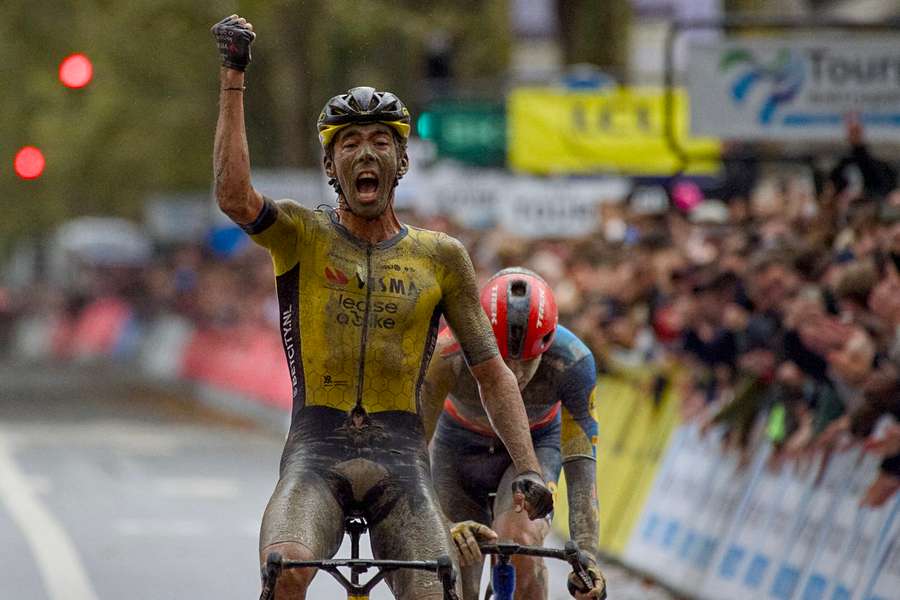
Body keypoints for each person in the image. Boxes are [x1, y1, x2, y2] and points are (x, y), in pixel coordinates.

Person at [210, 15, 553, 600]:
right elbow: (234, 195)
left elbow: (492, 370)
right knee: (285, 568)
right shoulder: (300, 233)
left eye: (380, 142)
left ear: (401, 162)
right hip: (316, 451)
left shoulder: (441, 256)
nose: (365, 153)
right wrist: (233, 74)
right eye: (349, 142)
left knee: (436, 587)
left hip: (402, 460)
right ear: (330, 166)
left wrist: (527, 466)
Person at [423, 268, 607, 599]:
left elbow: (580, 462)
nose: (514, 373)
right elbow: (413, 447)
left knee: (520, 541)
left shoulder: (574, 361)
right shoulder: (447, 353)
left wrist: (587, 557)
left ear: (547, 346)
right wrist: (442, 522)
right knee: (455, 565)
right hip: (457, 450)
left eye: (527, 361)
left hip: (535, 447)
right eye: (502, 358)